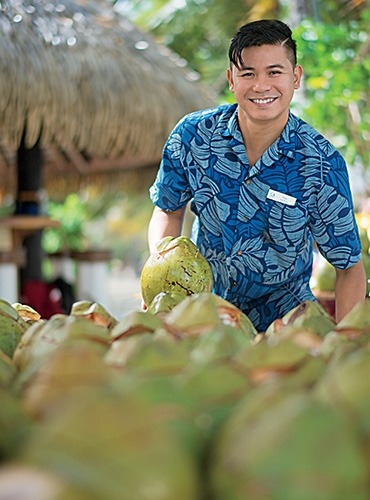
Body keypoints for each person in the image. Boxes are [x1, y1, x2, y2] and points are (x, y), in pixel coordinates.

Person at [146, 19, 366, 332]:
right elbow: (168, 210)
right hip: (202, 317)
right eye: (248, 73)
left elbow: (348, 268)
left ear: (296, 77)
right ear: (231, 80)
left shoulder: (321, 163)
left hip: (287, 326)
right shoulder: (193, 137)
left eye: (274, 72)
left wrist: (346, 343)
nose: (261, 86)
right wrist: (162, 274)